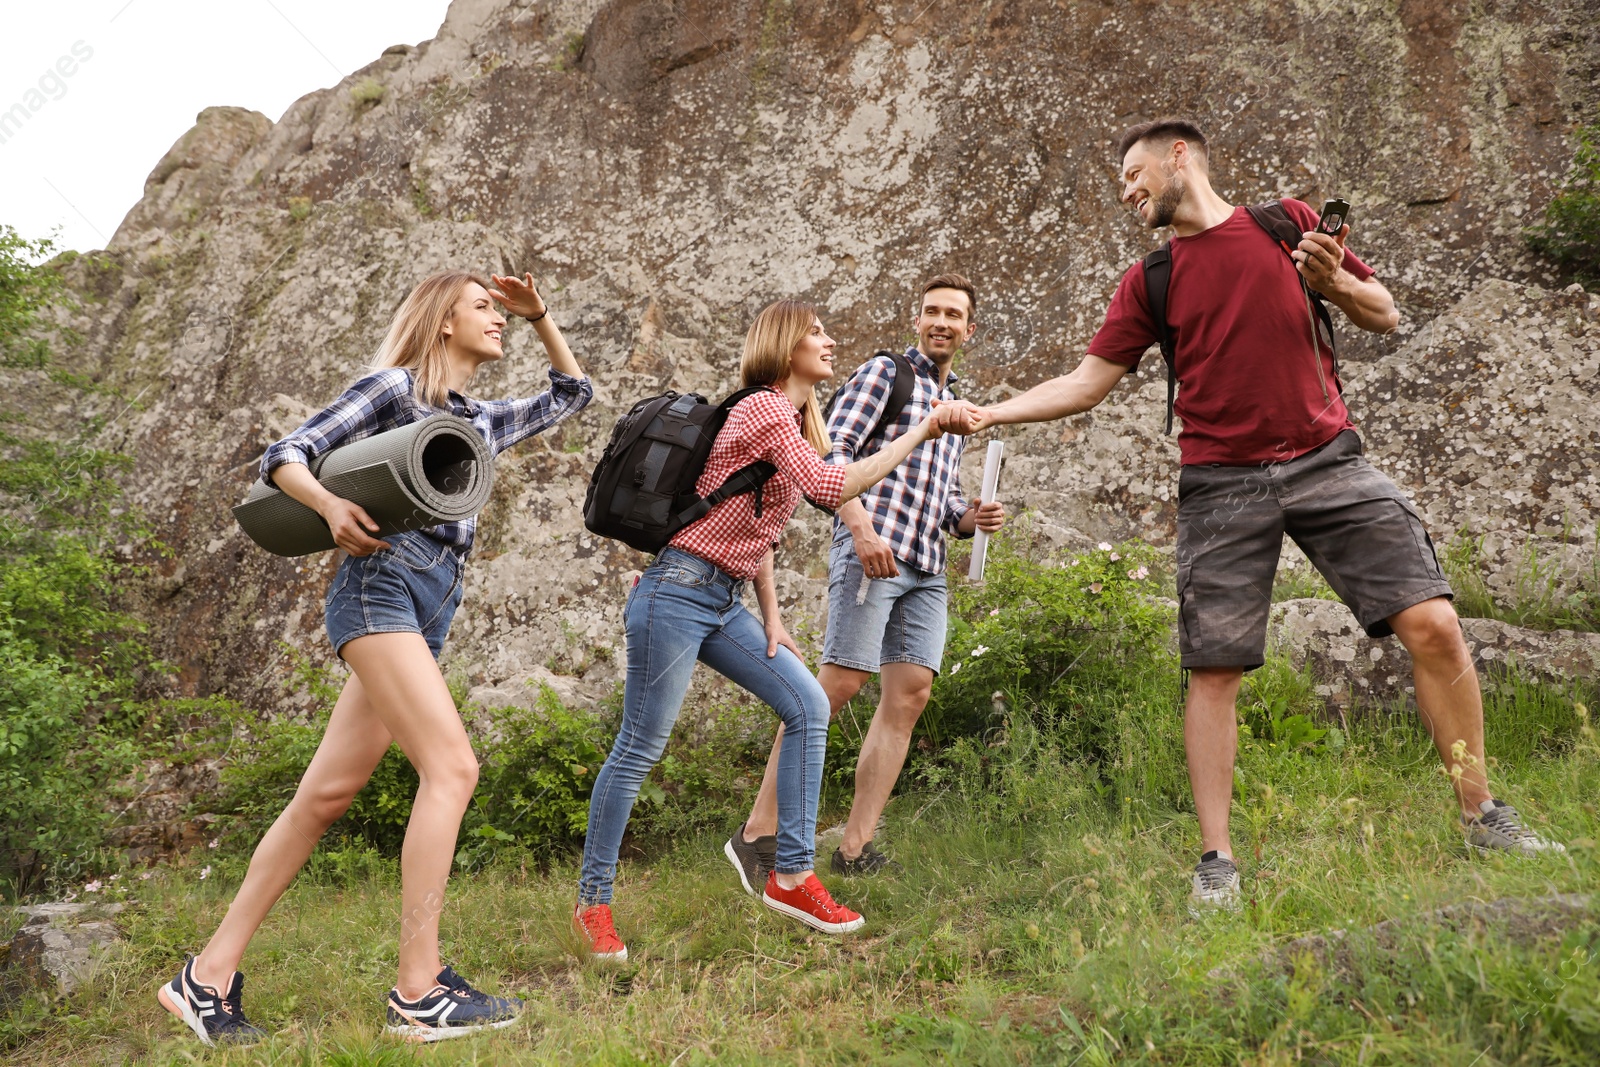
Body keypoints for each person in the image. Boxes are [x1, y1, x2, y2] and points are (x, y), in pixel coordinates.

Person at [956, 117, 1565, 913]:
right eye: (1120, 186)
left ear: (1181, 157)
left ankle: (1483, 815)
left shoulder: (1290, 223)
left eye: (1134, 174)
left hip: (1328, 460)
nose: (1127, 192)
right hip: (1220, 482)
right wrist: (992, 413)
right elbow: (1086, 381)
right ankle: (1217, 862)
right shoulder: (1152, 280)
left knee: (1437, 625)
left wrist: (1335, 283)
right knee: (1213, 670)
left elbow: (1382, 312)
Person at [158, 271, 592, 1044]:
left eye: (500, 310)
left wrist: (540, 316)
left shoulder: (478, 418)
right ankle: (417, 991)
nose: (497, 319)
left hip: (430, 608)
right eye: (484, 308)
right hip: (380, 589)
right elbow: (284, 454)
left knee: (322, 798)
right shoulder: (394, 389)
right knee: (453, 767)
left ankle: (205, 976)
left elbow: (571, 394)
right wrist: (330, 507)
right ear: (442, 320)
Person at [573, 299, 973, 959]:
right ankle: (594, 904)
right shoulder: (762, 407)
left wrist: (774, 617)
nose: (830, 339)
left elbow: (755, 532)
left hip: (723, 598)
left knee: (809, 703)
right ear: (787, 345)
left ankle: (790, 875)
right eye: (816, 332)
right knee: (639, 749)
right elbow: (826, 486)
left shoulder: (793, 420)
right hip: (675, 592)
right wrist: (922, 429)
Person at [724, 274, 1005, 888]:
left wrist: (969, 519)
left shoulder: (955, 398)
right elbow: (831, 454)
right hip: (872, 554)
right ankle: (756, 835)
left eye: (954, 315)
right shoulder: (886, 375)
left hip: (927, 566)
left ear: (969, 328)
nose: (941, 322)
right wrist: (860, 530)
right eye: (932, 311)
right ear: (917, 321)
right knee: (837, 686)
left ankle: (855, 848)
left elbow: (945, 496)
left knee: (909, 697)